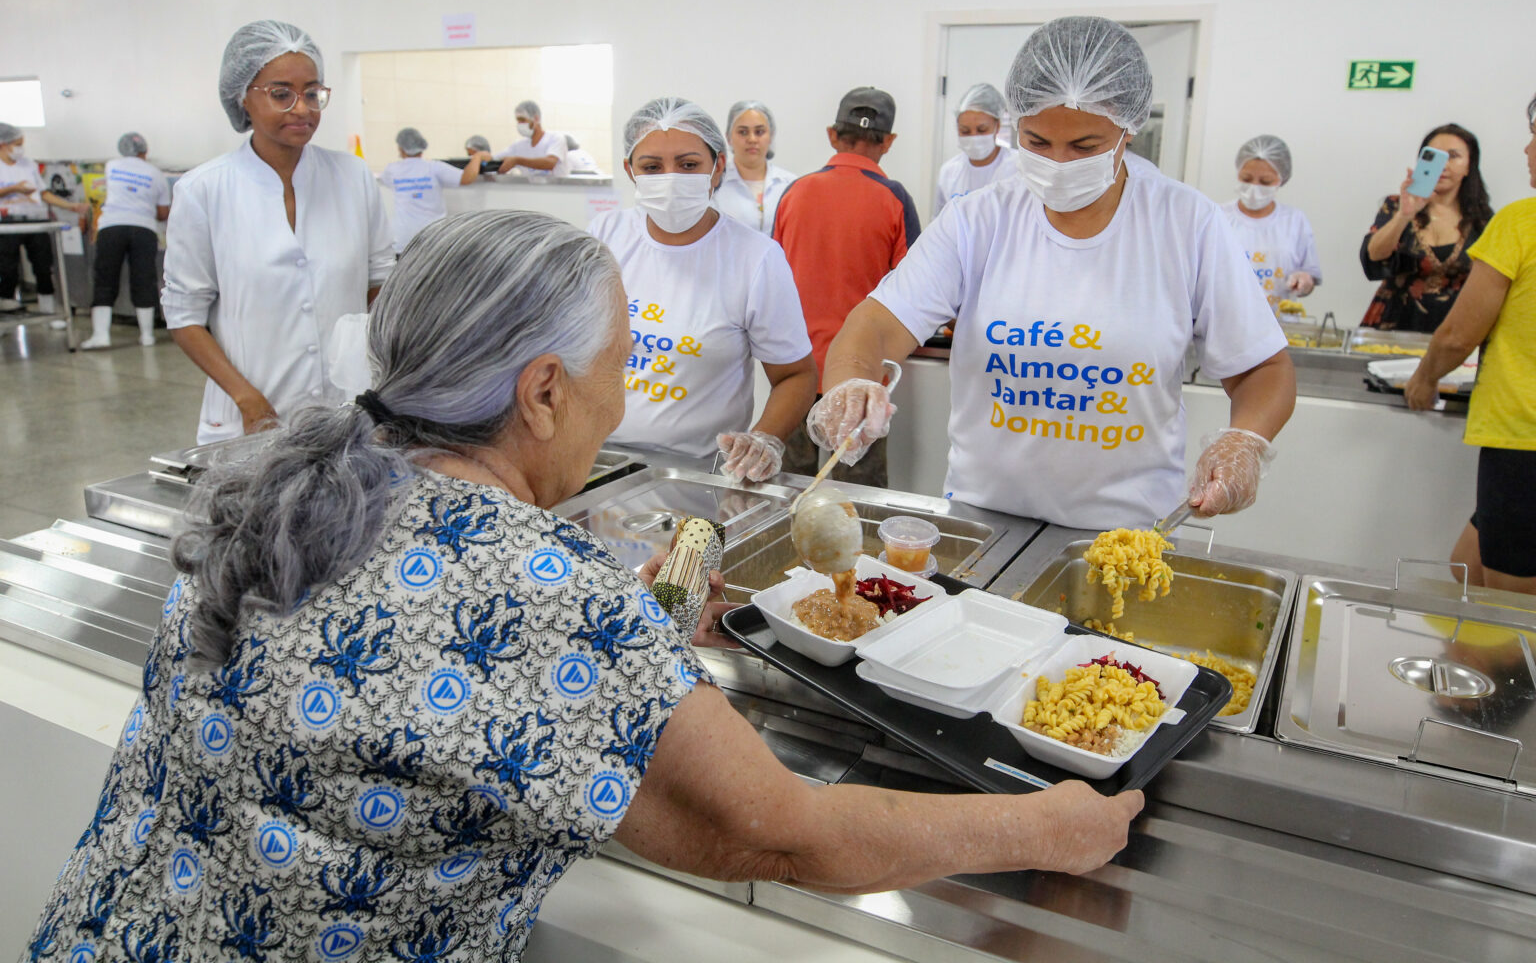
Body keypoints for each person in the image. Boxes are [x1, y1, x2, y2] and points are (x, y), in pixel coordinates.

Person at [24, 209, 1142, 961]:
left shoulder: (280, 490)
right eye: (619, 373)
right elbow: (780, 833)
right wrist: (1043, 825)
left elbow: (434, 683)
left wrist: (638, 624)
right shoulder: (552, 596)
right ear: (544, 391)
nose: (623, 403)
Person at [811, 17, 1295, 531]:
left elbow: (1263, 369)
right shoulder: (980, 219)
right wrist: (851, 382)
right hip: (981, 524)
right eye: (1037, 142)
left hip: (1127, 534)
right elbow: (875, 326)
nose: (1059, 164)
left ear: (1129, 129)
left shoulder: (1186, 223)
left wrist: (1245, 440)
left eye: (1085, 147)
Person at [162, 20, 393, 445]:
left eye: (312, 93)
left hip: (346, 413)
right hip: (247, 419)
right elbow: (184, 316)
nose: (302, 109)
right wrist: (247, 398)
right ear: (242, 97)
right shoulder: (203, 190)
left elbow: (380, 284)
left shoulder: (353, 177)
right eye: (281, 94)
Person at [589, 98, 815, 481]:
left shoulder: (755, 258)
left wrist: (764, 439)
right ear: (631, 171)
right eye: (652, 167)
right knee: (595, 544)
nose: (671, 177)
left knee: (693, 546)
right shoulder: (604, 236)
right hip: (597, 462)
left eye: (689, 164)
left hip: (705, 475)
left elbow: (797, 375)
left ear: (717, 167)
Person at [1404, 96, 1536, 596]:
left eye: (1534, 136)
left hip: (1523, 439)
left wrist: (1425, 378)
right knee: (1465, 573)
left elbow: (1461, 332)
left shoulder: (1520, 221)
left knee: (1510, 614)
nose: (1526, 149)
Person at [773, 86, 920, 487]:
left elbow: (773, 281)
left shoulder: (794, 194)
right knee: (856, 503)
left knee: (788, 494)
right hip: (859, 381)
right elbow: (914, 294)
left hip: (795, 374)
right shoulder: (894, 199)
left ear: (832, 135)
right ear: (888, 143)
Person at [1360, 123, 1493, 332]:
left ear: (1469, 166)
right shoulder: (1397, 204)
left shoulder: (1482, 220)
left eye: (1453, 156)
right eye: (1435, 156)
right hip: (1394, 324)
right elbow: (1374, 255)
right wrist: (1404, 215)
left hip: (1455, 328)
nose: (1443, 165)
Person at [81, 132, 171, 349]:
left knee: (105, 278)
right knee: (144, 278)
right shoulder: (157, 174)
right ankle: (147, 335)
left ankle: (101, 335)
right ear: (145, 151)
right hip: (144, 229)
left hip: (112, 226)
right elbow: (163, 212)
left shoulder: (112, 166)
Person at [1219, 135, 1323, 309]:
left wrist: (1304, 281)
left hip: (1279, 324)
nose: (1254, 187)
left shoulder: (1294, 221)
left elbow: (1310, 276)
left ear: (1281, 179)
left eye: (1265, 181)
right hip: (1227, 320)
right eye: (1246, 178)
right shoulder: (1218, 216)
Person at [0, 121, 90, 315]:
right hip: (7, 222)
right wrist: (14, 189)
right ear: (3, 144)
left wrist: (72, 206)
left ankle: (48, 309)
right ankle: (6, 303)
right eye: (16, 144)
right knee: (7, 265)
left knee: (43, 265)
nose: (19, 149)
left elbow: (43, 193)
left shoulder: (28, 165)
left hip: (36, 221)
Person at [379, 127, 482, 253]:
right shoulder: (434, 167)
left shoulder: (392, 170)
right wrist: (478, 157)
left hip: (404, 240)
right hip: (433, 238)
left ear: (400, 148)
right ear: (421, 146)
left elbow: (385, 182)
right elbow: (467, 178)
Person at [715, 100, 797, 235]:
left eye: (759, 132)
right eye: (743, 132)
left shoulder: (790, 185)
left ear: (771, 136)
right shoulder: (715, 186)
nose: (752, 139)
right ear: (729, 138)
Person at [934, 83, 1015, 218]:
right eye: (965, 131)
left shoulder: (1017, 167)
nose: (974, 137)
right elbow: (938, 223)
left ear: (997, 126)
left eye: (982, 130)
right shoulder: (949, 172)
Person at [495, 100, 569, 177]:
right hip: (532, 189)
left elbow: (550, 163)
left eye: (523, 120)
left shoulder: (555, 138)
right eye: (518, 121)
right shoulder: (519, 146)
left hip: (557, 188)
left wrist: (517, 161)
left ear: (536, 119)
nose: (520, 124)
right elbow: (495, 159)